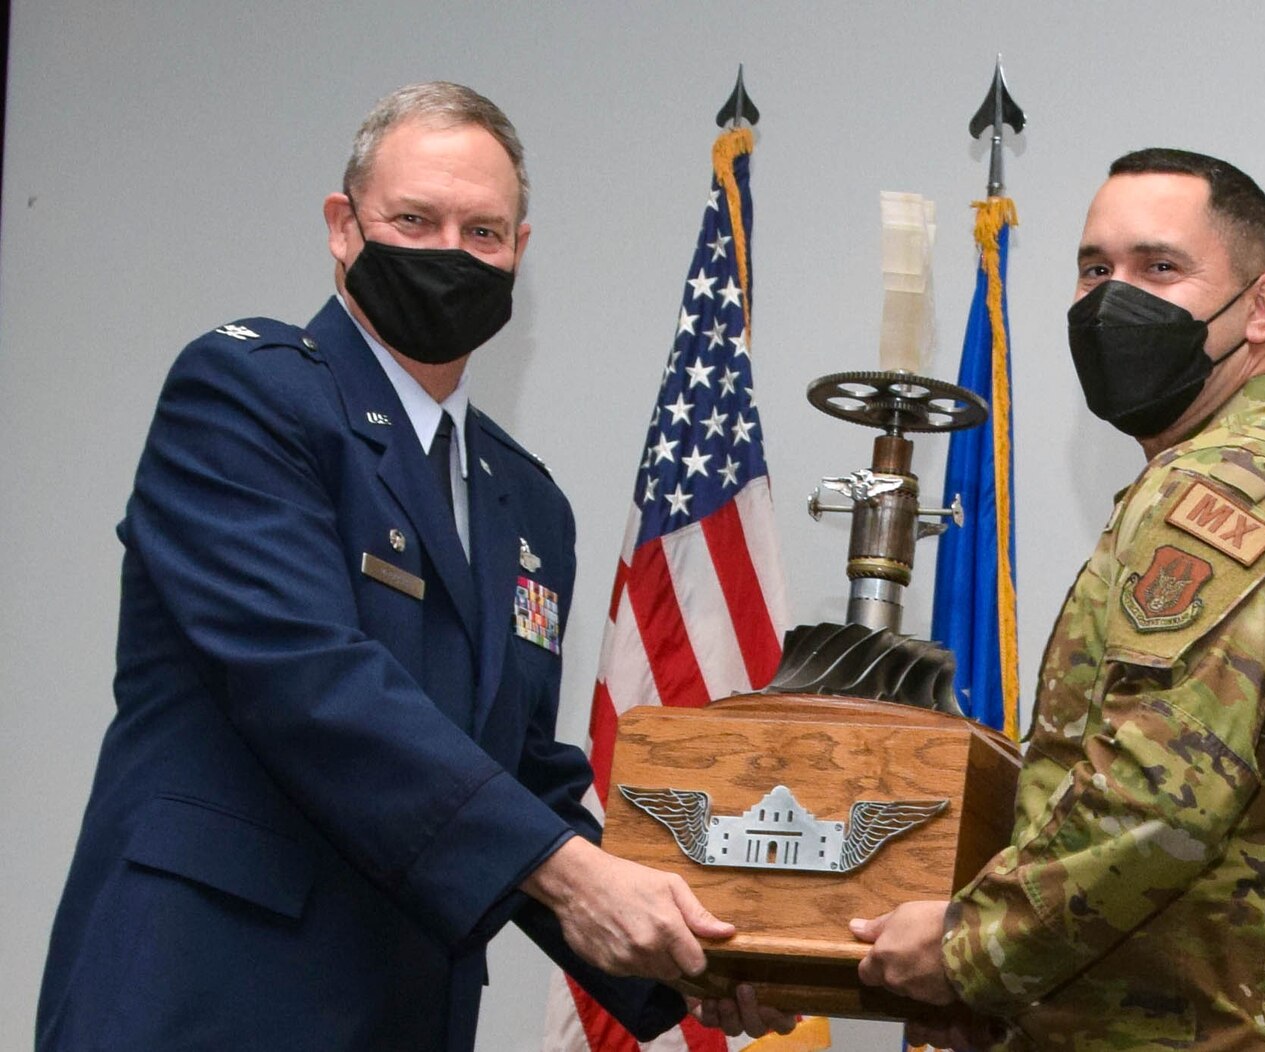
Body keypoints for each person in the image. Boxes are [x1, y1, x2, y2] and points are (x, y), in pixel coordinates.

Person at [36, 82, 788, 1050]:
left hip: (400, 1008)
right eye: (414, 219)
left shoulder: (527, 502)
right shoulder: (247, 394)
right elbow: (312, 680)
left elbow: (513, 769)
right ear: (343, 227)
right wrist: (569, 871)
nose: (449, 253)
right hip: (208, 991)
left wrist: (696, 958)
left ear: (520, 250)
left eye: (482, 231)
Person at [851, 148, 1265, 1050]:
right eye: (1095, 268)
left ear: (1259, 309)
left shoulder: (1224, 487)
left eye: (1160, 268)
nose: (1113, 298)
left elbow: (1159, 795)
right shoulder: (1261, 475)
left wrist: (967, 950)